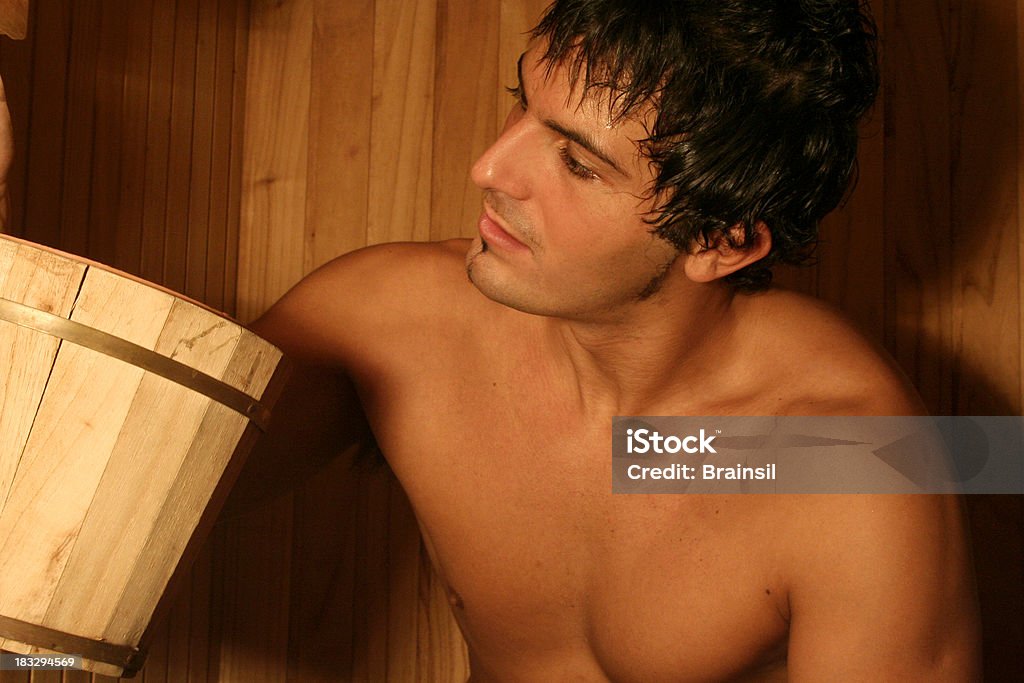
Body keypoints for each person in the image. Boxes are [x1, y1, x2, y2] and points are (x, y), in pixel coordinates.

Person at [212, 0, 979, 679]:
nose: (488, 167)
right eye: (522, 103)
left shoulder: (854, 467)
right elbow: (134, 480)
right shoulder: (391, 322)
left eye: (578, 163)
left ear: (721, 241)